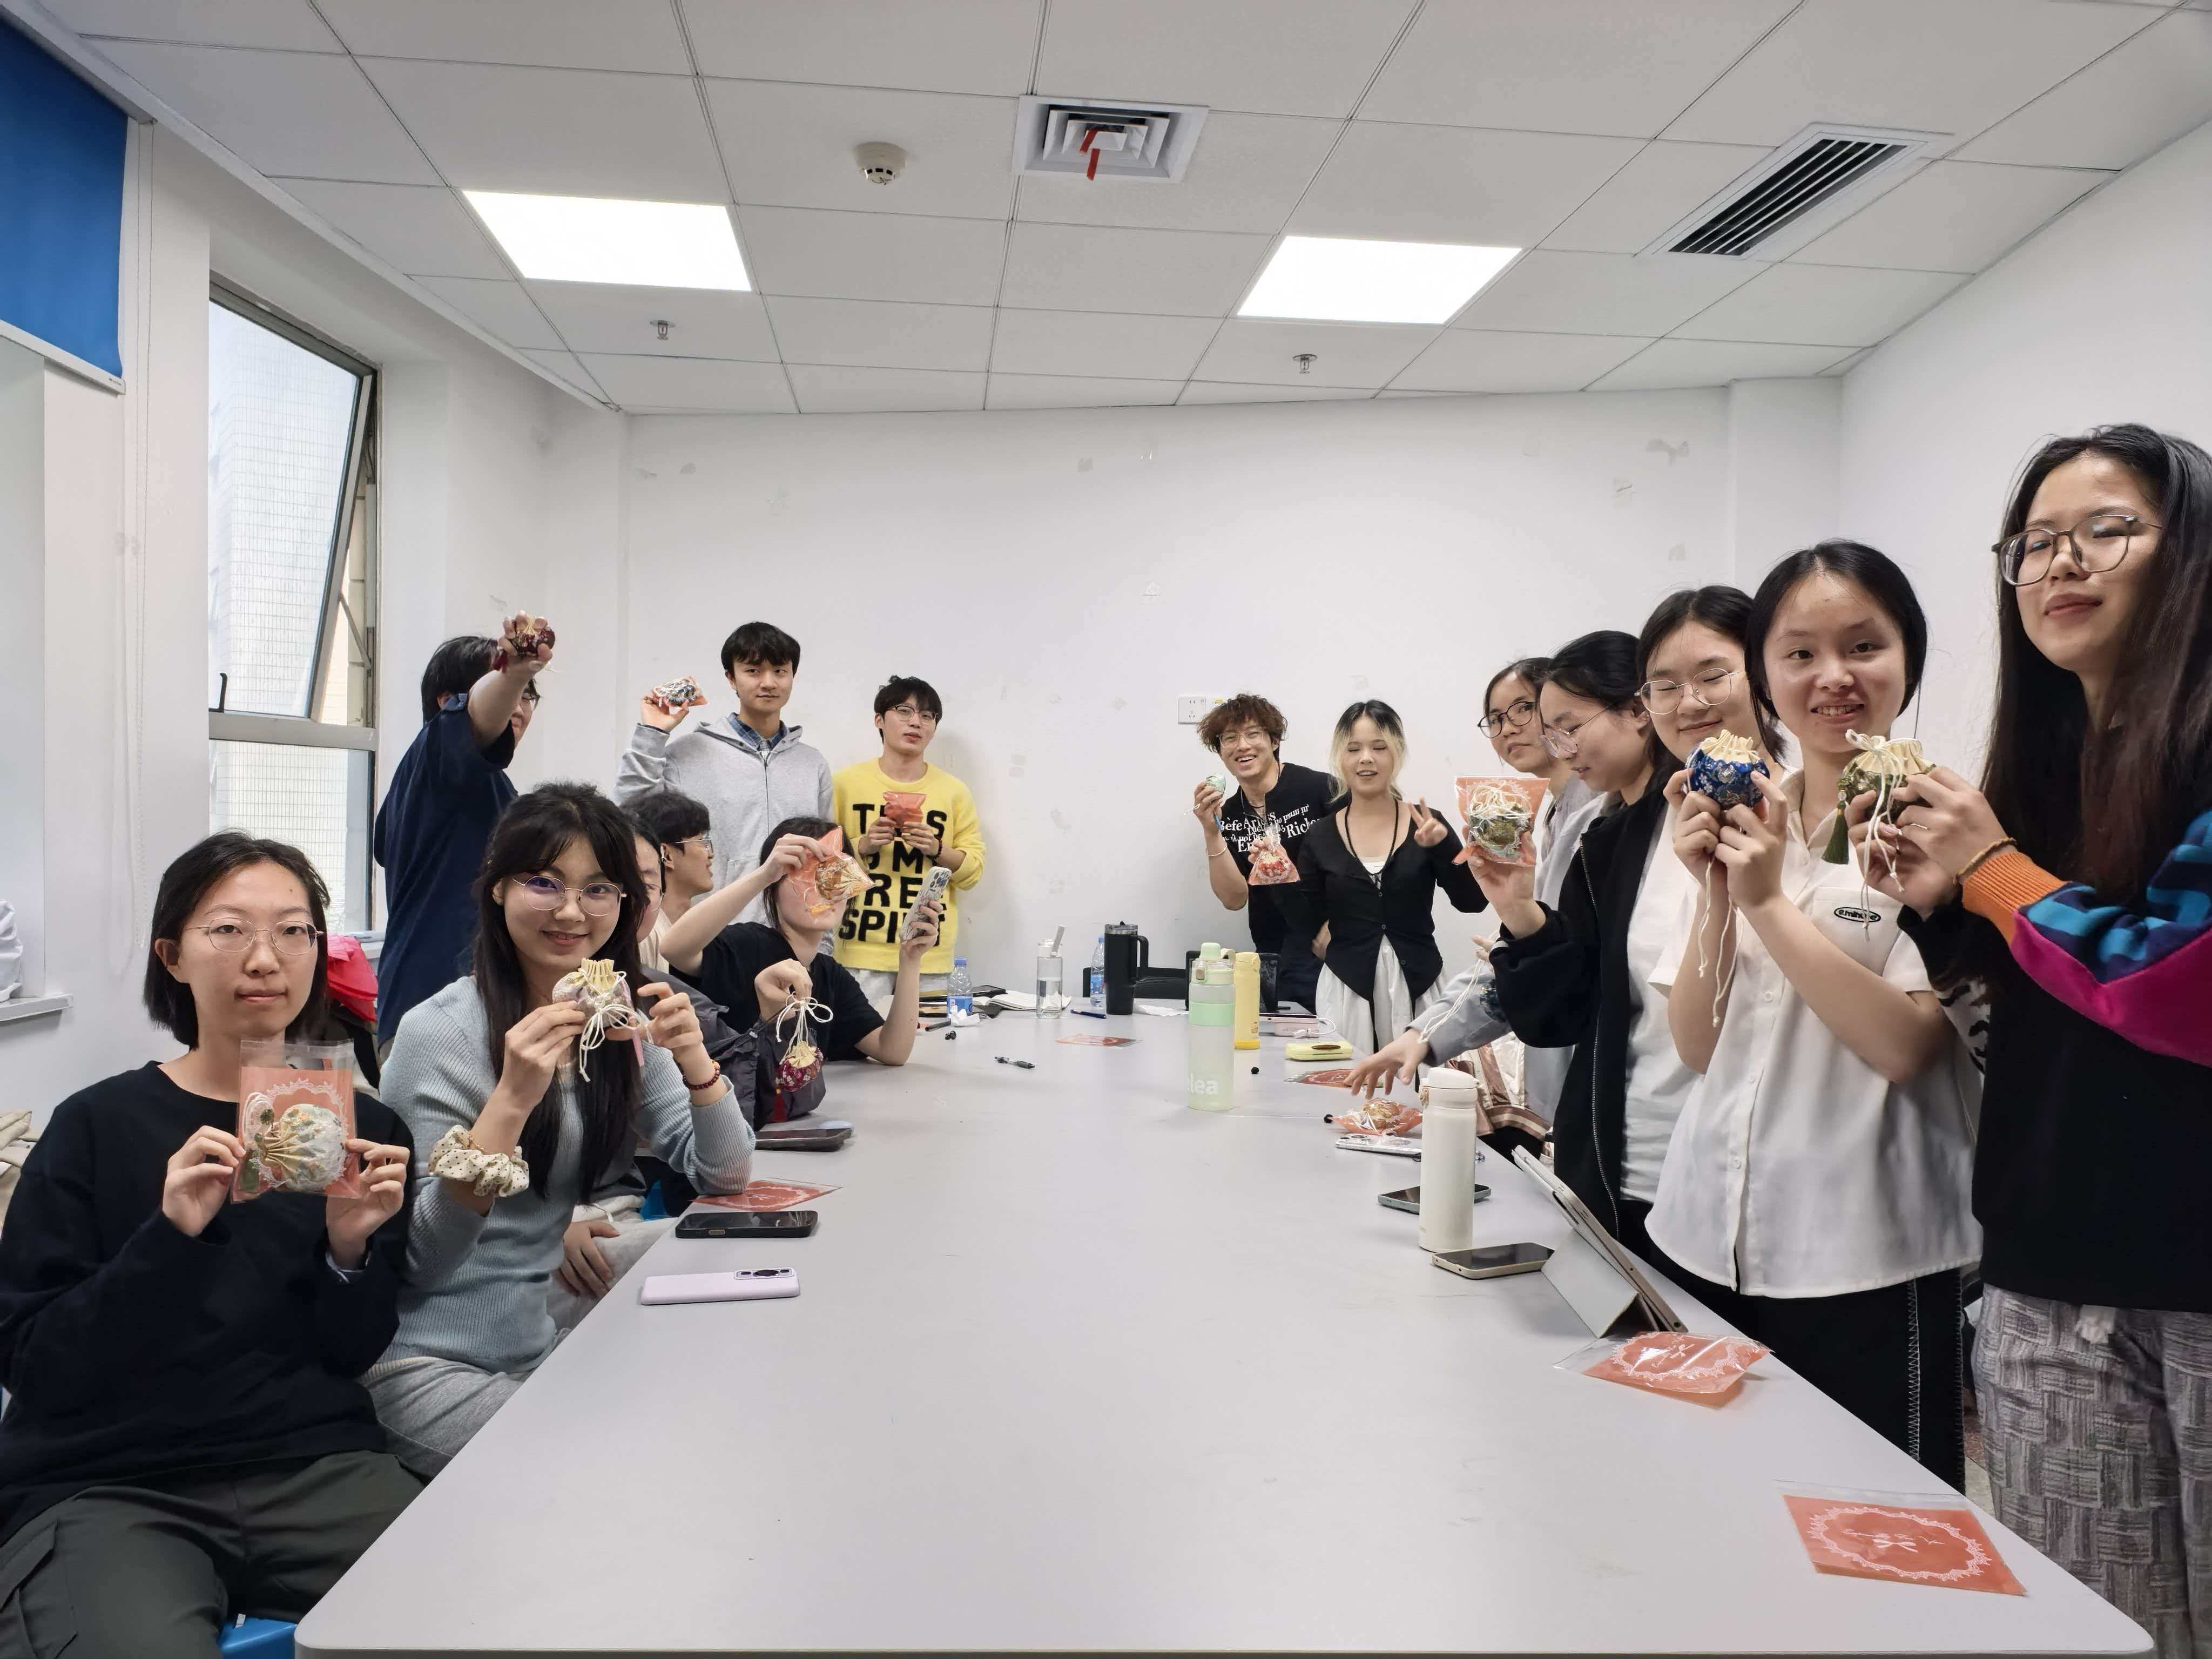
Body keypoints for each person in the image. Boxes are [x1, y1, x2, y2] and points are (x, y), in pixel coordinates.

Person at [1854, 426, 2212, 1653]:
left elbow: (2175, 983)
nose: (2062, 562)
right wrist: (1942, 900)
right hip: (2047, 1273)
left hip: (2196, 1278)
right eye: (2036, 542)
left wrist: (1994, 871)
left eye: (2107, 530)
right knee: (2093, 1630)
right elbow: (2036, 1002)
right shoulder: (2040, 764)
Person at [0, 833, 419, 1657]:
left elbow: (350, 1351)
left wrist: (348, 1254)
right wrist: (169, 1237)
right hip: (111, 1487)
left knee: (494, 1602)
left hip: (312, 1467)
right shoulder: (94, 1126)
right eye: (228, 930)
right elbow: (33, 1363)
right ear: (173, 956)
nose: (264, 958)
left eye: (293, 931)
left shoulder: (362, 1131)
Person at [1660, 543, 1978, 1484]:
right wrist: (1715, 892)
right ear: (1764, 676)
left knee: (1877, 1518)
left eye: (1864, 646)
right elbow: (1698, 1044)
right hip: (1710, 1229)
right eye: (1799, 653)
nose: (1833, 676)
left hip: (1865, 1247)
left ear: (1909, 659)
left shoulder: (1939, 821)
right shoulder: (1745, 808)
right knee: (1734, 1498)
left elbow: (1909, 1047)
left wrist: (1765, 904)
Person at [370, 784, 755, 1477]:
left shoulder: (613, 1019)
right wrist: (512, 1099)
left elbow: (725, 1175)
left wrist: (695, 1061)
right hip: (428, 1363)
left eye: (599, 889)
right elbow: (422, 1260)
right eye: (544, 883)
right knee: (612, 1470)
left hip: (534, 1337)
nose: (572, 912)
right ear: (497, 888)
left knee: (720, 1345)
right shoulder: (436, 1033)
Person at [1480, 610, 1774, 1261]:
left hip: (1747, 1173)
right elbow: (1571, 1009)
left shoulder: (1786, 813)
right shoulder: (1611, 840)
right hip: (1628, 1158)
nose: (1561, 749)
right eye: (1666, 685)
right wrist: (1519, 912)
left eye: (1569, 727)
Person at [1345, 656, 1602, 1122]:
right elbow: (1531, 939)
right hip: (1353, 986)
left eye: (1523, 709)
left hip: (1588, 1047)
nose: (1508, 728)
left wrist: (1518, 943)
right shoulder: (1553, 814)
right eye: (1496, 718)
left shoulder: (1597, 814)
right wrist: (1423, 1034)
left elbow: (1480, 906)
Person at [660, 817, 941, 1121]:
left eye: (836, 875)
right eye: (803, 875)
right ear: (773, 887)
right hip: (733, 1121)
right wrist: (764, 875)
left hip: (791, 1119)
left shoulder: (829, 974)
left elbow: (892, 1050)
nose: (821, 889)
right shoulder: (746, 944)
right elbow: (674, 948)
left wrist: (910, 960)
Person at [373, 615, 552, 1047]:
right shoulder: (436, 759)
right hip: (432, 1014)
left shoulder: (490, 786)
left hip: (480, 1012)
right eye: (505, 687)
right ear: (446, 704)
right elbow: (476, 717)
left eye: (529, 695)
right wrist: (514, 673)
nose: (519, 706)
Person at [1280, 701, 1484, 1057]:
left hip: (1420, 985)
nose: (1366, 759)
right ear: (1340, 758)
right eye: (1354, 749)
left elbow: (1473, 903)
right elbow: (1305, 923)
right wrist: (1280, 878)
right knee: (1348, 1082)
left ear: (1397, 753)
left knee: (1418, 1083)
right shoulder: (1320, 835)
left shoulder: (1427, 823)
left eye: (1379, 747)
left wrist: (1443, 848)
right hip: (1347, 990)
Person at [616, 622, 832, 924]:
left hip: (791, 934)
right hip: (707, 931)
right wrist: (652, 733)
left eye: (780, 671)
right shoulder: (688, 753)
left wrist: (823, 939)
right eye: (753, 671)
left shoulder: (812, 763)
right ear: (731, 678)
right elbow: (632, 815)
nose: (768, 683)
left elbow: (826, 858)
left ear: (792, 676)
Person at [832, 676, 986, 1009]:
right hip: (858, 951)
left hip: (929, 952)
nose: (916, 722)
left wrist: (937, 849)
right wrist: (862, 846)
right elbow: (822, 874)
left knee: (931, 1040)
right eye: (904, 711)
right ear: (879, 720)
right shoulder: (844, 784)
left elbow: (973, 872)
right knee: (857, 1041)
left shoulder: (954, 792)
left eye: (927, 716)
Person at [1190, 694, 1335, 1011]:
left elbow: (1369, 861)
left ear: (1274, 740)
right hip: (1272, 956)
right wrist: (1212, 832)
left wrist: (1338, 925)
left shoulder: (1320, 789)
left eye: (1253, 734)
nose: (1242, 746)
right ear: (1220, 751)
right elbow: (1234, 899)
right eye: (1229, 738)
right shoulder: (1230, 813)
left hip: (1333, 949)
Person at [625, 788, 715, 973]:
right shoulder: (646, 935)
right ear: (666, 854)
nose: (711, 854)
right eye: (701, 842)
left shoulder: (693, 933)